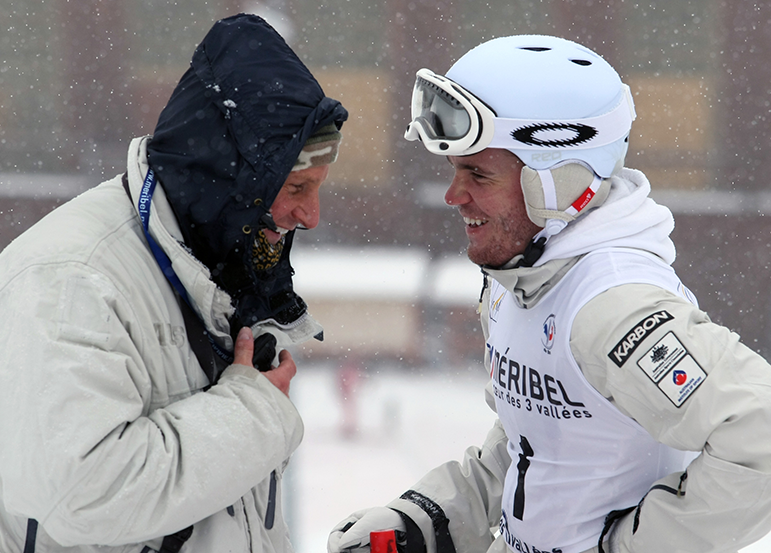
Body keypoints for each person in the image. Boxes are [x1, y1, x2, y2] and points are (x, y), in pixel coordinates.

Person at [327, 35, 771, 553]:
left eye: (478, 173)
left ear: (558, 183)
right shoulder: (521, 281)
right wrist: (430, 518)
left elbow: (760, 435)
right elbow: (536, 443)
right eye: (454, 171)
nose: (454, 195)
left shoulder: (614, 307)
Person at [0, 13, 347, 553]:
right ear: (227, 177)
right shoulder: (68, 285)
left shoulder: (212, 266)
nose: (310, 215)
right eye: (295, 186)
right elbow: (85, 496)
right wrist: (250, 413)